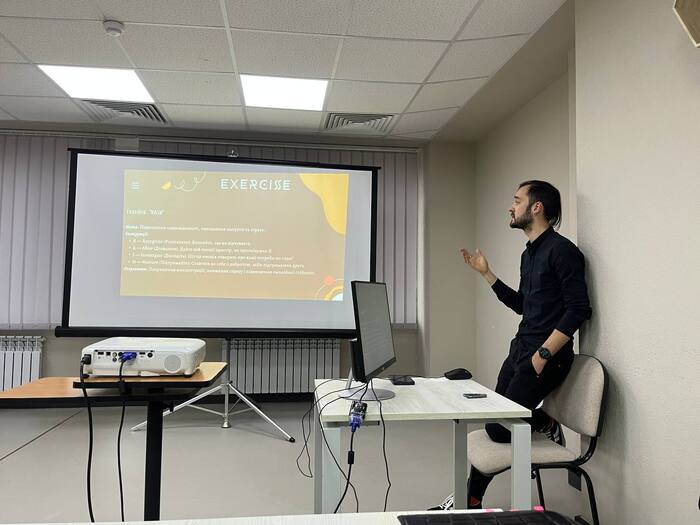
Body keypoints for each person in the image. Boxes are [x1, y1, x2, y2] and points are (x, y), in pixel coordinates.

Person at [432, 180, 592, 510]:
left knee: (498, 428)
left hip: (547, 357)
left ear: (536, 207)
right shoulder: (528, 254)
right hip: (520, 350)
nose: (511, 206)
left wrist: (544, 354)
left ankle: (542, 421)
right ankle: (471, 500)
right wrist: (486, 273)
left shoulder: (562, 251)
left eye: (517, 200)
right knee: (494, 419)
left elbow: (579, 309)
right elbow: (523, 305)